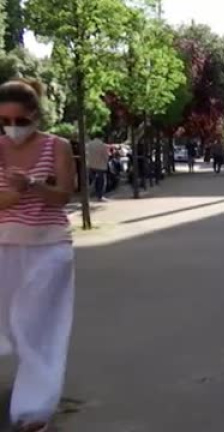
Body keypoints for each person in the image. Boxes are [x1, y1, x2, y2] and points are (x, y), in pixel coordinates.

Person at [0, 79, 76, 432]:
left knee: (40, 327)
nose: (12, 128)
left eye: (20, 120)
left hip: (49, 246)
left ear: (35, 115)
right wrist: (16, 194)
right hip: (5, 244)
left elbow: (63, 196)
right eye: (4, 121)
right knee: (9, 324)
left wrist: (32, 185)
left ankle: (34, 411)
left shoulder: (57, 146)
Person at [86, 132, 109, 202]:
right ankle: (100, 196)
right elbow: (106, 156)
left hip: (91, 165)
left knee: (91, 181)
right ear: (101, 137)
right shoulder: (103, 145)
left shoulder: (88, 144)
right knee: (101, 182)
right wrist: (106, 162)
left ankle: (88, 195)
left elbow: (86, 154)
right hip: (100, 166)